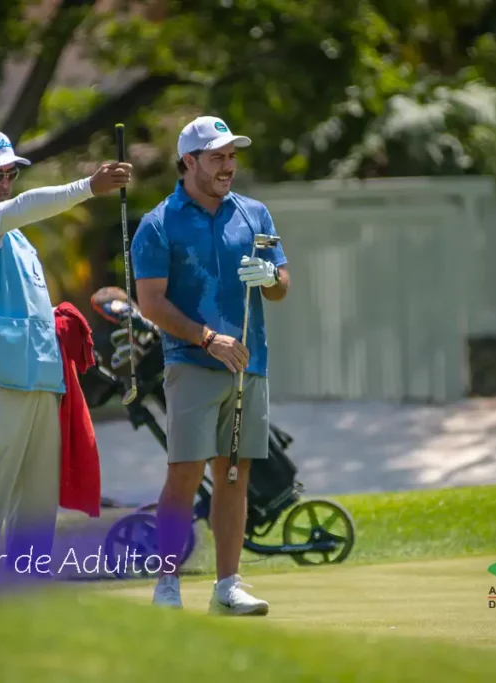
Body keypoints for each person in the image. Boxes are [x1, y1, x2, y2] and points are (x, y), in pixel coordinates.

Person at [0, 127, 131, 571]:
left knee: (38, 496)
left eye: (10, 174)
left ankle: (27, 585)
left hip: (41, 373)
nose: (4, 183)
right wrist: (88, 186)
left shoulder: (15, 236)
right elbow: (24, 207)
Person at [130, 116, 290, 615]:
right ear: (189, 161)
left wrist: (271, 277)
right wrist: (207, 338)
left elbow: (282, 285)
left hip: (249, 363)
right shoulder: (159, 223)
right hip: (191, 363)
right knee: (184, 473)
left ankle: (228, 586)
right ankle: (167, 583)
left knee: (235, 475)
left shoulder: (254, 214)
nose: (228, 165)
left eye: (232, 156)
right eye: (217, 156)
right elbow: (151, 303)